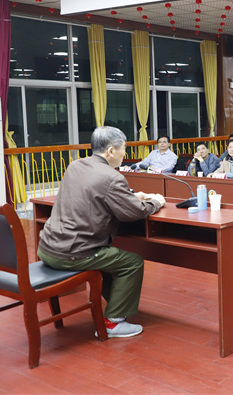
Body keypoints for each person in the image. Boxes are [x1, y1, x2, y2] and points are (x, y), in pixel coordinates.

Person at [37, 126, 166, 338]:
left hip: (48, 247)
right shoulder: (112, 177)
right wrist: (155, 202)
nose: (126, 154)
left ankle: (117, 304)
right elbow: (134, 212)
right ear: (111, 151)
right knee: (132, 263)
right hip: (74, 252)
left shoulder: (75, 165)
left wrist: (130, 195)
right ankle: (113, 322)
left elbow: (93, 194)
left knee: (111, 259)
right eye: (124, 149)